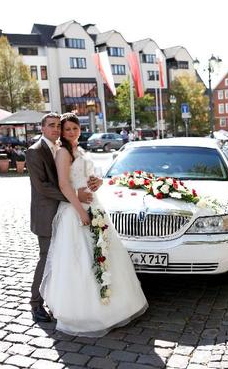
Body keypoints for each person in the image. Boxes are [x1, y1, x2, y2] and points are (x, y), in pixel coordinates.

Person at [40, 113, 148, 337]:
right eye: (67, 129)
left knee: (103, 254)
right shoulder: (63, 153)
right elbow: (63, 185)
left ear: (80, 129)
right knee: (81, 260)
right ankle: (84, 312)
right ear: (61, 131)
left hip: (94, 206)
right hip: (75, 212)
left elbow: (88, 178)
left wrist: (96, 182)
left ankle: (113, 306)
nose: (71, 132)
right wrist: (81, 211)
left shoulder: (80, 150)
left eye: (74, 128)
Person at [26, 113, 98, 323]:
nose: (56, 129)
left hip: (66, 213)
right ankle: (36, 304)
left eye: (58, 125)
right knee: (46, 257)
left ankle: (57, 300)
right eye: (51, 126)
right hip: (47, 214)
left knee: (63, 259)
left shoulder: (61, 148)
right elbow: (43, 186)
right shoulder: (34, 151)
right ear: (42, 128)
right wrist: (75, 196)